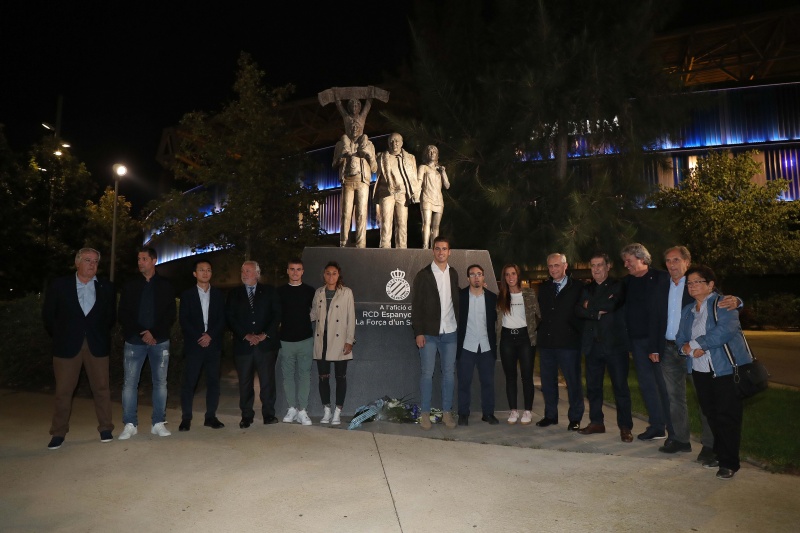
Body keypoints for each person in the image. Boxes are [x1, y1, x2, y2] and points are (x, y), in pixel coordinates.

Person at [676, 265, 751, 480]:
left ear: (710, 285)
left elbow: (725, 331)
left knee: (728, 416)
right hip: (700, 370)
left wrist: (698, 345)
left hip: (725, 369)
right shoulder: (688, 310)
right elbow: (680, 337)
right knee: (711, 414)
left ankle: (729, 463)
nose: (691, 286)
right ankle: (719, 453)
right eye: (689, 283)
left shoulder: (724, 304)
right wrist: (684, 348)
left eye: (696, 282)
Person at [42, 248, 116, 449]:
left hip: (97, 345)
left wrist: (97, 332)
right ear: (77, 262)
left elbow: (110, 317)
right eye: (87, 260)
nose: (92, 264)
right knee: (63, 391)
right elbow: (49, 316)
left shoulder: (106, 287)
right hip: (67, 346)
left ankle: (106, 428)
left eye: (95, 261)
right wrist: (61, 335)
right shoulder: (60, 285)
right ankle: (58, 432)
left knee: (101, 389)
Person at [117, 247, 176, 440]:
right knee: (129, 383)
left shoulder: (165, 285)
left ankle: (158, 422)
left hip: (160, 341)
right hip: (135, 341)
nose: (140, 262)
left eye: (144, 258)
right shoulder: (131, 284)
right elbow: (123, 313)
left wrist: (155, 333)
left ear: (154, 261)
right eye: (138, 258)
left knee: (160, 383)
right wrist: (142, 332)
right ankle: (130, 423)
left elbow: (170, 314)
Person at [575, 253, 634, 442]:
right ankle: (596, 422)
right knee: (593, 387)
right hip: (592, 346)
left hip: (615, 346)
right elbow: (578, 310)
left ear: (608, 266)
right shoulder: (587, 288)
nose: (596, 269)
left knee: (620, 388)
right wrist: (595, 311)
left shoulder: (618, 285)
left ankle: (625, 427)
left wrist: (589, 307)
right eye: (593, 265)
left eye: (600, 265)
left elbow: (611, 304)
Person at [225, 261, 281, 428]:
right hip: (243, 346)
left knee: (267, 382)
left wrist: (264, 334)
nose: (244, 274)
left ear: (257, 274)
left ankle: (269, 414)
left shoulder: (270, 291)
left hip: (265, 346)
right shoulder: (234, 293)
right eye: (242, 271)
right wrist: (245, 335)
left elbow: (277, 314)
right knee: (245, 383)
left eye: (248, 271)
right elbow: (230, 317)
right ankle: (246, 415)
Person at [411, 235, 459, 430]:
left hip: (451, 333)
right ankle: (425, 414)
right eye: (437, 248)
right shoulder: (423, 275)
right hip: (429, 334)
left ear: (449, 252)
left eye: (444, 249)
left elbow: (457, 298)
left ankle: (447, 413)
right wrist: (419, 332)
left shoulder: (454, 273)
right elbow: (417, 306)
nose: (441, 252)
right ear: (433, 251)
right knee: (427, 374)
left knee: (449, 374)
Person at [536, 253, 584, 430]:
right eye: (550, 266)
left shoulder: (578, 287)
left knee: (573, 383)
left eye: (557, 265)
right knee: (548, 383)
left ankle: (575, 418)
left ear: (565, 266)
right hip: (547, 343)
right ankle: (550, 415)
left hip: (569, 343)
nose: (553, 269)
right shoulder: (544, 287)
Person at [178, 259, 226, 431]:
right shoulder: (187, 295)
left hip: (213, 345)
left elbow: (222, 319)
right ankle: (186, 418)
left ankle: (210, 416)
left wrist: (210, 335)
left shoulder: (219, 295)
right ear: (195, 273)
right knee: (189, 382)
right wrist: (200, 336)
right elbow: (184, 320)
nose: (205, 273)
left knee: (213, 382)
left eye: (208, 270)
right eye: (202, 270)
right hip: (194, 345)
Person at [310, 261, 356, 425]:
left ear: (339, 275)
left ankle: (338, 411)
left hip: (340, 341)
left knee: (340, 377)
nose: (331, 276)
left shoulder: (346, 293)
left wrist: (349, 340)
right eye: (328, 273)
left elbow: (351, 318)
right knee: (323, 378)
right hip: (322, 341)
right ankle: (327, 410)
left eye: (334, 273)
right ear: (324, 275)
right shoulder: (319, 293)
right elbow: (313, 314)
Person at [495, 263, 540, 425]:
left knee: (527, 376)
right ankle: (513, 410)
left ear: (518, 275)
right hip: (507, 338)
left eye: (513, 274)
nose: (510, 277)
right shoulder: (500, 296)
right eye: (507, 274)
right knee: (510, 376)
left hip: (525, 338)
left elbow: (538, 315)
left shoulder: (528, 293)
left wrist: (535, 332)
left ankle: (527, 411)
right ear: (504, 278)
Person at [456, 264, 499, 426]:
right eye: (472, 274)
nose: (476, 277)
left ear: (483, 277)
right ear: (468, 278)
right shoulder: (460, 296)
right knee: (464, 382)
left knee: (488, 382)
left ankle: (488, 413)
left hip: (486, 347)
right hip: (466, 346)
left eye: (479, 274)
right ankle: (463, 413)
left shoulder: (492, 298)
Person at [277, 259, 317, 426]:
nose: (295, 272)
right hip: (285, 341)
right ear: (287, 271)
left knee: (304, 375)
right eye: (292, 269)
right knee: (287, 377)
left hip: (305, 340)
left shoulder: (310, 291)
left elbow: (316, 311)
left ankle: (302, 411)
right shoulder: (279, 292)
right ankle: (292, 408)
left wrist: (303, 320)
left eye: (298, 269)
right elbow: (276, 314)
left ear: (303, 271)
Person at [332, 110, 377, 248]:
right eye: (352, 126)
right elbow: (334, 164)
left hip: (362, 181)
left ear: (361, 128)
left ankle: (360, 244)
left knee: (362, 213)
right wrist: (342, 157)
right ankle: (344, 243)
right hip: (347, 181)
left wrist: (369, 156)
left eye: (357, 126)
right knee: (345, 213)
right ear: (348, 128)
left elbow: (374, 168)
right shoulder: (341, 144)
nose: (354, 128)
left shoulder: (368, 144)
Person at [374, 133, 420, 249]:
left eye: (397, 141)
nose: (394, 143)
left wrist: (415, 192)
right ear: (388, 143)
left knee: (402, 223)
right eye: (391, 141)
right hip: (386, 192)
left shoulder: (410, 158)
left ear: (402, 143)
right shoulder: (380, 157)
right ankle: (384, 248)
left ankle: (402, 249)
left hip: (402, 193)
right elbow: (372, 168)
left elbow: (413, 176)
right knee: (386, 222)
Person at [418, 145, 450, 249]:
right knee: (426, 223)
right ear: (426, 154)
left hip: (438, 199)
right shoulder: (423, 167)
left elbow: (447, 185)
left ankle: (434, 248)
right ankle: (425, 246)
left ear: (437, 155)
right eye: (430, 152)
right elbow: (418, 183)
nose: (432, 154)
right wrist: (415, 194)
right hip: (427, 197)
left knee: (436, 227)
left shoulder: (439, 170)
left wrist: (443, 172)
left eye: (434, 152)